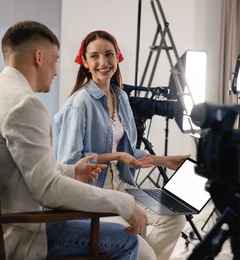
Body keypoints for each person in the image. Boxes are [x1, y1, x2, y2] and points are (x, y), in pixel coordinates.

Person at [0, 21, 148, 260]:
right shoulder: (24, 105)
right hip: (11, 230)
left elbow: (18, 162)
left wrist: (71, 171)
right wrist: (124, 203)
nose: (57, 70)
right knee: (127, 241)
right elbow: (48, 190)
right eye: (56, 59)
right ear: (39, 57)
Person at [53, 30, 189, 260]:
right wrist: (115, 156)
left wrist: (165, 161)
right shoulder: (79, 104)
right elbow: (70, 162)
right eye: (94, 56)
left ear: (118, 57)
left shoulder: (121, 97)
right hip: (94, 191)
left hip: (123, 183)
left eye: (109, 54)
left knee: (175, 217)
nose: (103, 62)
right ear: (85, 63)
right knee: (140, 247)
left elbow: (128, 154)